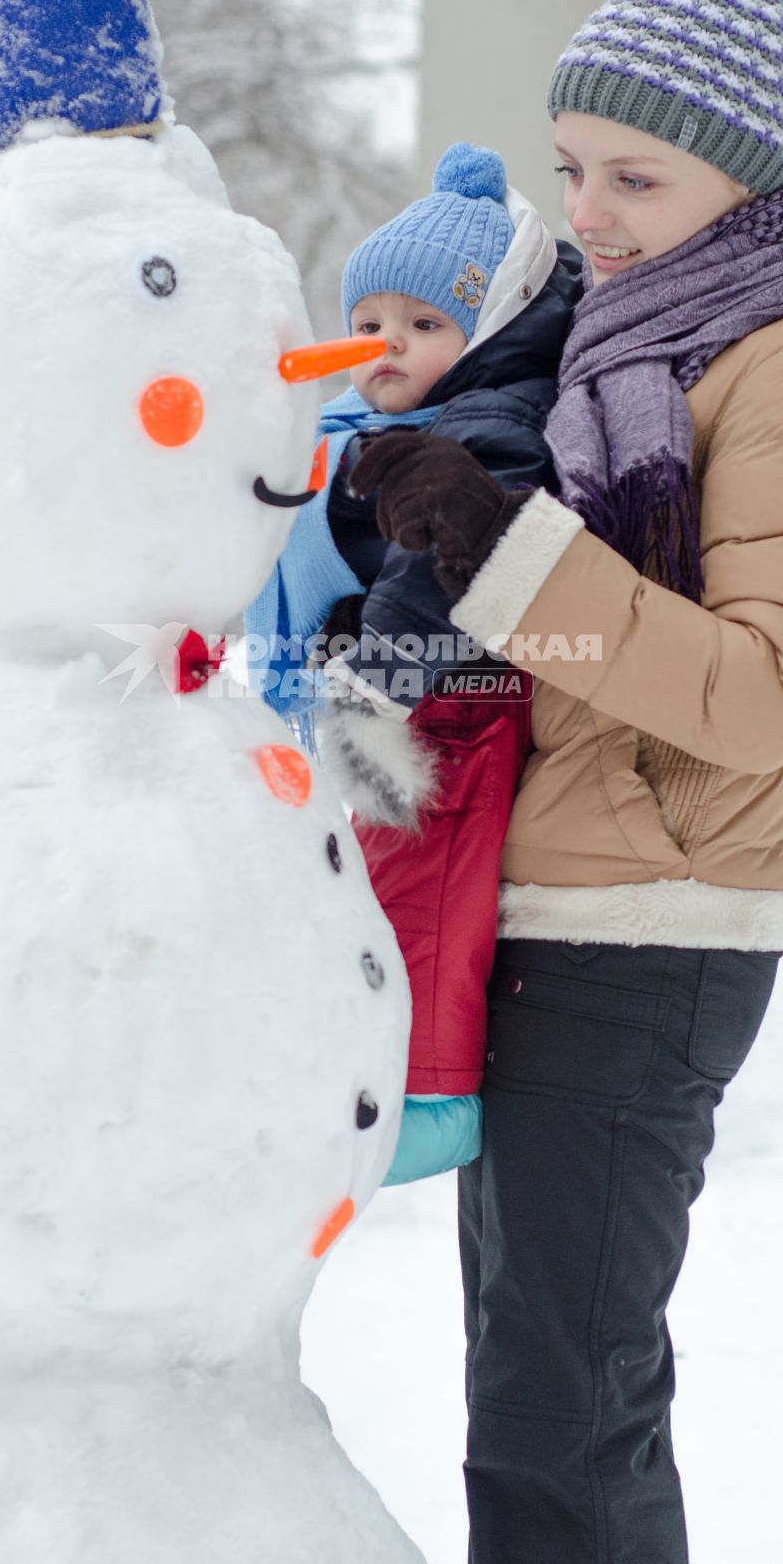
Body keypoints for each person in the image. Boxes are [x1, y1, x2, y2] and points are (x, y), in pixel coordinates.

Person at [349, 0, 783, 1564]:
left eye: (636, 182)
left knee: (560, 1412)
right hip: (556, 907)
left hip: (651, 933)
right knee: (531, 1403)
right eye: (570, 167)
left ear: (747, 184)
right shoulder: (623, 342)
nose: (585, 216)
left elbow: (756, 694)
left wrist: (498, 557)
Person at [246, 143, 581, 1184]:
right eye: (366, 324)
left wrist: (371, 676)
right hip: (368, 699)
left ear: (483, 334)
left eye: (424, 325)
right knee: (356, 894)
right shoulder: (351, 423)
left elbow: (447, 568)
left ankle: (430, 1095)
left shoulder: (487, 426)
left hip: (447, 703)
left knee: (423, 887)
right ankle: (357, 1067)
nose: (385, 344)